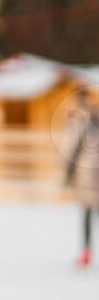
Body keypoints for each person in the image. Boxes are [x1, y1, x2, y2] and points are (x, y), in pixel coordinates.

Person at [61, 85, 99, 268]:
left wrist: (68, 173)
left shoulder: (79, 120)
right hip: (91, 172)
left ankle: (86, 252)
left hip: (88, 173)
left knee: (87, 212)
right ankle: (86, 252)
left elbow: (72, 147)